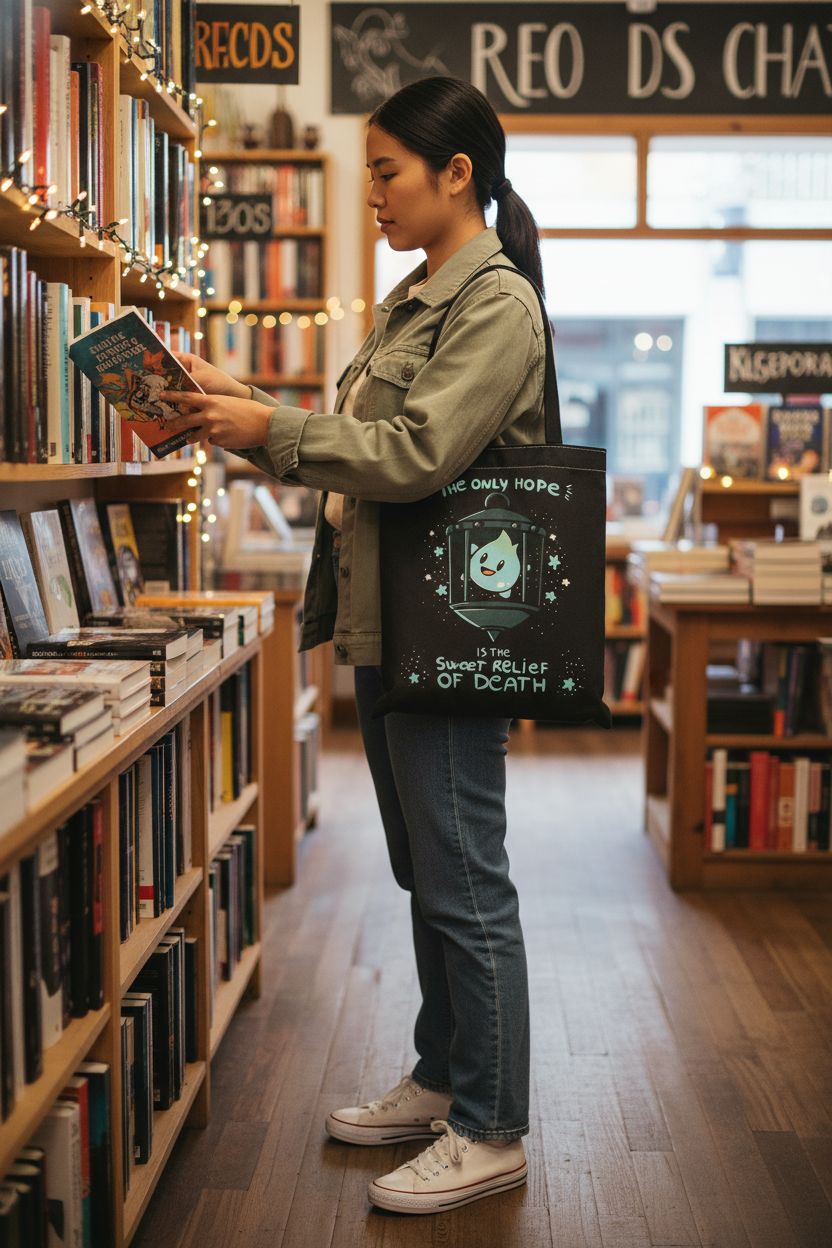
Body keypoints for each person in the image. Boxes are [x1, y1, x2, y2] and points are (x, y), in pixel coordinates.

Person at [162, 76, 546, 1216]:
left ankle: (491, 1126)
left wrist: (267, 429)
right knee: (425, 870)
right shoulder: (412, 296)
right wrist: (243, 402)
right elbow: (367, 437)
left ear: (455, 173)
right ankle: (444, 1077)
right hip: (391, 618)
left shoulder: (494, 304)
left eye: (385, 171)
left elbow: (415, 452)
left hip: (455, 627)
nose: (370, 191)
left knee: (465, 877)